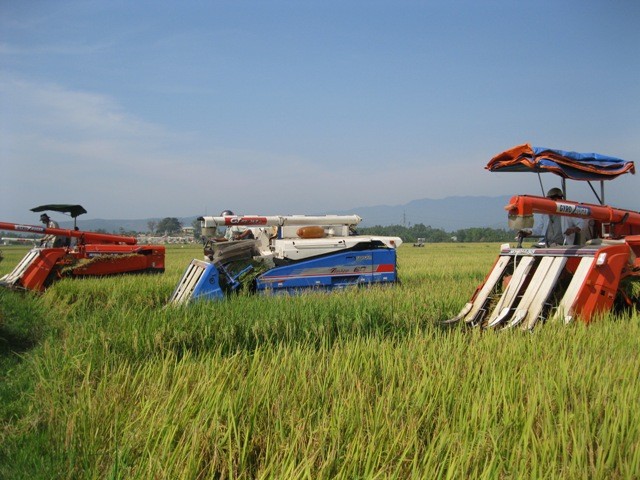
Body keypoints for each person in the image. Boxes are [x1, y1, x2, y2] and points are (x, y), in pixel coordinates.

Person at [518, 188, 584, 246]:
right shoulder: (545, 214)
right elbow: (538, 230)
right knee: (532, 250)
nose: (553, 200)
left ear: (560, 199)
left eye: (555, 198)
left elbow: (582, 223)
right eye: (551, 199)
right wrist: (527, 231)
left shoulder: (568, 212)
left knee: (552, 247)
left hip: (561, 245)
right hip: (545, 244)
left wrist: (573, 229)